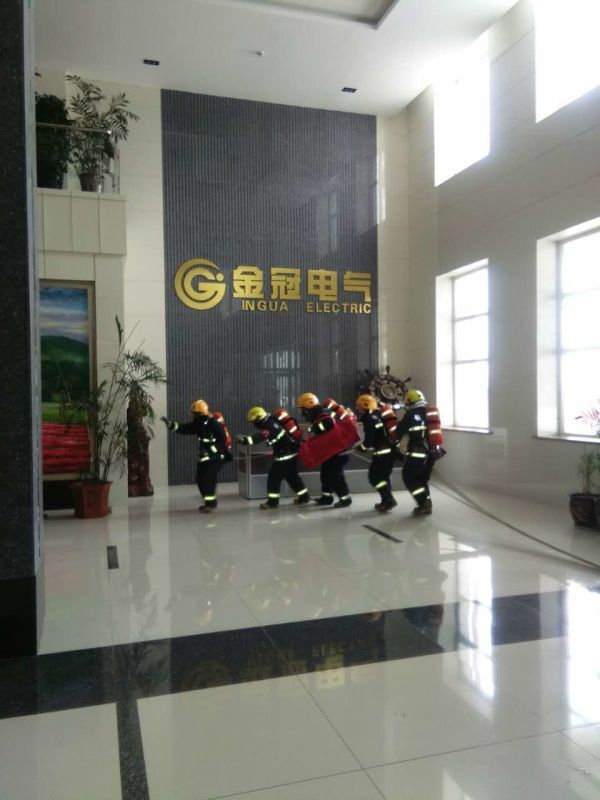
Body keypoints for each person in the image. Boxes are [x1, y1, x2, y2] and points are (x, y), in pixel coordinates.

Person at [236, 406, 310, 510]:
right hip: (291, 452)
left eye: (254, 422)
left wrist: (244, 440)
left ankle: (272, 502)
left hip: (284, 456)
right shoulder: (272, 420)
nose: (254, 424)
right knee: (292, 477)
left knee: (273, 479)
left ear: (259, 418)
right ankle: (304, 497)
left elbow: (259, 437)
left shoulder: (268, 425)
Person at [161, 399, 227, 513]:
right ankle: (209, 502)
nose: (193, 416)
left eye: (195, 414)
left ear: (201, 414)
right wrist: (172, 425)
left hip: (216, 457)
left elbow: (222, 441)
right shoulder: (199, 423)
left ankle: (211, 504)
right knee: (200, 479)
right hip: (205, 457)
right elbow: (186, 428)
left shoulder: (213, 423)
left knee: (208, 479)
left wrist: (210, 451)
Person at [297, 392, 352, 508]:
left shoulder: (321, 413)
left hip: (338, 451)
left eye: (303, 409)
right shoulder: (319, 413)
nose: (303, 412)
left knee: (335, 475)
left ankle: (345, 499)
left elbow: (328, 424)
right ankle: (326, 497)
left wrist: (316, 428)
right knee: (326, 474)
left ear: (309, 406)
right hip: (333, 451)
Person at [355, 394, 398, 513]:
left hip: (382, 452)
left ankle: (389, 500)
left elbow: (369, 441)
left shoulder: (369, 419)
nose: (358, 410)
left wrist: (361, 448)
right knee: (384, 477)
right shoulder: (379, 415)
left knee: (374, 478)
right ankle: (386, 501)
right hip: (391, 451)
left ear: (365, 406)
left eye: (359, 407)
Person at [395, 389, 434, 515]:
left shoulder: (411, 413)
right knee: (422, 479)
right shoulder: (429, 412)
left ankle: (423, 503)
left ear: (410, 402)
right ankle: (427, 504)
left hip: (418, 453)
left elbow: (398, 432)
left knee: (409, 478)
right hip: (431, 453)